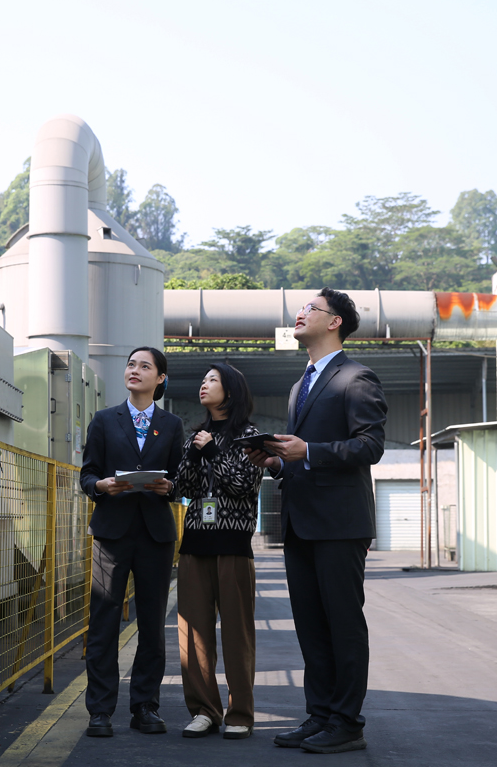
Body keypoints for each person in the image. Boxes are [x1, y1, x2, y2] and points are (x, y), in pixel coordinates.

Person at [246, 288, 387, 754]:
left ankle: (347, 722)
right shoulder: (300, 384)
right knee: (310, 626)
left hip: (340, 523)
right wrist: (277, 461)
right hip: (300, 521)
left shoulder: (356, 377)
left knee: (343, 624)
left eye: (310, 308)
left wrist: (309, 450)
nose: (299, 313)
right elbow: (300, 458)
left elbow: (370, 446)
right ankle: (320, 715)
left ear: (334, 322)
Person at [79, 347, 185, 738]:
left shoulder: (172, 424)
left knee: (153, 624)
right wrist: (102, 485)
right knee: (104, 621)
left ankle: (145, 707)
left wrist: (169, 487)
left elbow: (181, 480)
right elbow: (87, 475)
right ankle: (100, 710)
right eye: (130, 364)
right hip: (112, 532)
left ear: (160, 378)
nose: (134, 370)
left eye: (145, 366)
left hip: (156, 535)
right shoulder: (105, 420)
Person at [173, 363, 264, 740]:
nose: (203, 385)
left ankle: (240, 713)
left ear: (232, 390)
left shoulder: (250, 436)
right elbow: (183, 487)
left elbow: (244, 484)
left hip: (233, 545)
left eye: (212, 380)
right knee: (192, 635)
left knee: (237, 634)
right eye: (203, 379)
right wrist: (195, 456)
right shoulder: (196, 436)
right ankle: (204, 710)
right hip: (195, 543)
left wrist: (212, 453)